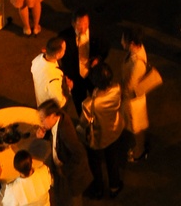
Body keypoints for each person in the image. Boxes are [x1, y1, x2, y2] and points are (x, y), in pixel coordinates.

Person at [80, 60, 123, 199]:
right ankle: (114, 186)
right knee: (112, 159)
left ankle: (98, 189)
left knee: (95, 163)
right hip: (114, 130)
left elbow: (84, 122)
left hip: (98, 137)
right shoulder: (117, 89)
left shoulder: (89, 104)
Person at [38, 96, 93, 206]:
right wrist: (45, 135)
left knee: (71, 201)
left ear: (53, 116)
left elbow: (80, 155)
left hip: (70, 178)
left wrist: (63, 170)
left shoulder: (66, 132)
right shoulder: (58, 120)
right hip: (62, 172)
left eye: (43, 119)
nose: (41, 122)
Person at [59, 9, 108, 110]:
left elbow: (105, 48)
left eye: (86, 24)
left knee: (98, 100)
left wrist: (98, 59)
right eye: (80, 25)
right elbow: (62, 58)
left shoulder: (97, 33)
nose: (84, 28)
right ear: (73, 24)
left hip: (93, 74)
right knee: (79, 103)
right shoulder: (64, 37)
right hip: (75, 77)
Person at [120, 28, 151, 164]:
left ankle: (140, 151)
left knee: (137, 128)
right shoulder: (137, 50)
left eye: (123, 39)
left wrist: (118, 91)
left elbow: (130, 86)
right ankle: (139, 147)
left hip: (134, 101)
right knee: (136, 126)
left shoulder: (137, 63)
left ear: (131, 43)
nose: (121, 41)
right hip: (133, 99)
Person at [32, 36, 69, 107]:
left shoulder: (37, 59)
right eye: (64, 50)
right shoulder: (53, 78)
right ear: (57, 55)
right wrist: (68, 88)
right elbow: (59, 101)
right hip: (50, 108)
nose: (65, 51)